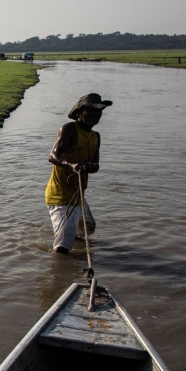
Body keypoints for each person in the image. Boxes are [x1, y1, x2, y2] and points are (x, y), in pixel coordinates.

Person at [45, 93, 112, 254]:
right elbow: (53, 156)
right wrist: (71, 165)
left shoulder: (95, 136)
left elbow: (96, 165)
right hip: (60, 195)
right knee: (62, 246)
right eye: (91, 111)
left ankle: (71, 239)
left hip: (77, 193)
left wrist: (88, 166)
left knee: (88, 226)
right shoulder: (69, 129)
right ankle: (61, 268)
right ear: (80, 112)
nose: (95, 116)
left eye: (99, 112)